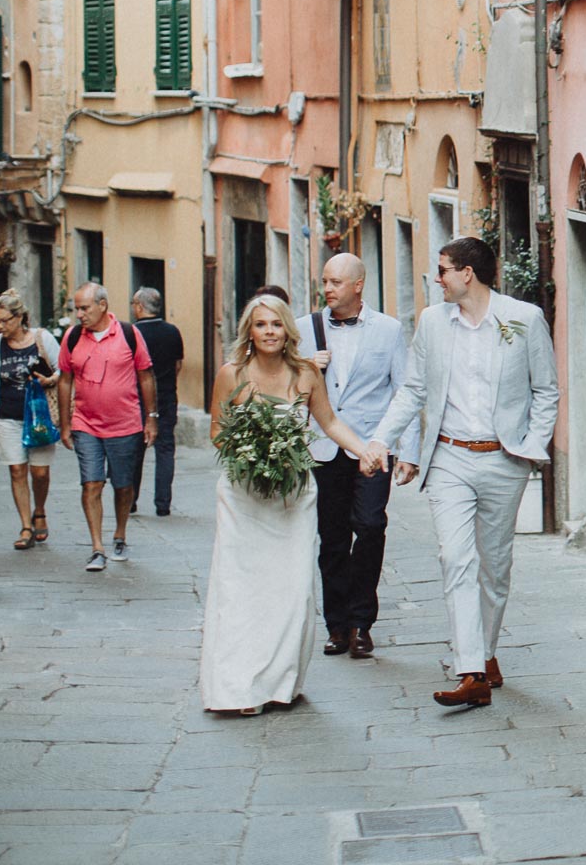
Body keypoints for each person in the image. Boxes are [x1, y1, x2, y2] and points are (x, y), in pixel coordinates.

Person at [373, 236, 558, 709]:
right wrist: (381, 440)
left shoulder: (523, 319)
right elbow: (413, 390)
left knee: (494, 568)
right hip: (450, 458)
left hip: (504, 459)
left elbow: (547, 391)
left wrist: (530, 446)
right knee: (456, 559)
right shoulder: (433, 324)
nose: (437, 279)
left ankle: (487, 653)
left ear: (467, 273)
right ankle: (471, 669)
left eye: (442, 270)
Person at [199, 294, 389, 715]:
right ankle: (237, 685)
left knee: (291, 588)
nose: (269, 332)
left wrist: (366, 451)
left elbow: (331, 423)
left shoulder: (305, 374)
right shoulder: (232, 374)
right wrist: (249, 452)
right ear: (249, 329)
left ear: (288, 330)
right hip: (242, 495)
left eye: (276, 324)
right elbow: (216, 429)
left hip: (293, 494)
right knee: (241, 588)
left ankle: (280, 681)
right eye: (261, 324)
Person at [298, 254, 413, 659]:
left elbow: (405, 391)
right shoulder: (303, 330)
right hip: (324, 447)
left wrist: (407, 452)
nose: (327, 289)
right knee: (331, 538)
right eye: (325, 282)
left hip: (372, 447)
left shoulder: (389, 330)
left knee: (369, 526)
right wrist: (307, 368)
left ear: (358, 285)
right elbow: (287, 387)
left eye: (336, 282)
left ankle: (363, 621)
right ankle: (337, 625)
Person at [55, 284, 155, 573]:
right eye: (77, 308)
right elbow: (64, 380)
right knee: (92, 483)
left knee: (124, 486)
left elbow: (146, 376)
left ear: (102, 305)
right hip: (85, 423)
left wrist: (151, 418)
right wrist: (65, 424)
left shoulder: (128, 333)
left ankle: (120, 534)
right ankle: (97, 548)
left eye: (84, 308)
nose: (79, 314)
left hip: (125, 423)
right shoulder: (73, 337)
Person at [0, 291, 60, 552]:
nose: (0, 326)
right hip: (7, 417)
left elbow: (63, 368)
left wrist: (49, 380)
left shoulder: (42, 338)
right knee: (17, 470)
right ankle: (25, 526)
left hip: (39, 418)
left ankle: (39, 510)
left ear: (19, 317)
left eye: (4, 321)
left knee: (40, 472)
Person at [129, 288, 185, 517]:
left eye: (134, 303)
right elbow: (178, 365)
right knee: (165, 450)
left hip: (137, 399)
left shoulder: (132, 333)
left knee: (135, 451)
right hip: (166, 397)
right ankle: (163, 503)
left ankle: (130, 500)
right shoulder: (172, 332)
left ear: (140, 306)